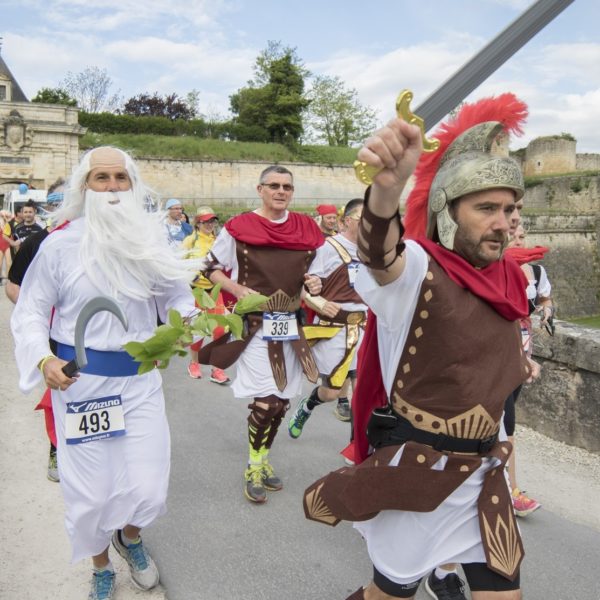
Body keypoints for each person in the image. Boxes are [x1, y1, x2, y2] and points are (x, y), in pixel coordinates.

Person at [303, 94, 536, 600]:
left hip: (483, 475)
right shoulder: (415, 276)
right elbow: (380, 253)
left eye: (510, 209)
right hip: (419, 475)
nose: (503, 221)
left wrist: (519, 366)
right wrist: (386, 191)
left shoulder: (510, 280)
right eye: (487, 208)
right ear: (448, 213)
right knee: (389, 595)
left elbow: (486, 352)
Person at [11, 146, 199, 600]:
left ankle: (129, 538)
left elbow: (178, 297)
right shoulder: (59, 244)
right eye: (102, 178)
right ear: (85, 187)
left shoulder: (149, 242)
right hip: (81, 386)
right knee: (91, 494)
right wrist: (43, 360)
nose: (113, 187)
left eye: (121, 178)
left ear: (133, 185)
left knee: (149, 488)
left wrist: (187, 320)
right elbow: (31, 311)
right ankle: (100, 566)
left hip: (140, 383)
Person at [197, 165, 324, 504]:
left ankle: (264, 459)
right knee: (265, 403)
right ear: (260, 189)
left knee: (280, 404)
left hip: (291, 326)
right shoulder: (240, 227)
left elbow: (320, 272)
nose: (281, 192)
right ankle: (254, 465)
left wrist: (315, 282)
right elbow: (209, 268)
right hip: (254, 326)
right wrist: (235, 287)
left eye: (287, 187)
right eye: (274, 186)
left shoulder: (306, 228)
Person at [288, 198, 367, 435]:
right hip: (334, 329)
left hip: (365, 327)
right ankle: (308, 406)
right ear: (346, 222)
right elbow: (304, 285)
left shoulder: (375, 251)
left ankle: (357, 449)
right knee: (332, 392)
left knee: (363, 393)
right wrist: (317, 297)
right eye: (363, 219)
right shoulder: (328, 247)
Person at [5, 178, 65, 481]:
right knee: (62, 390)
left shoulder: (105, 241)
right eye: (58, 203)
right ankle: (57, 449)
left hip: (98, 337)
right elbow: (13, 285)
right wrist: (35, 316)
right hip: (55, 336)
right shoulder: (36, 242)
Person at [503, 223, 553, 517]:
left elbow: (545, 298)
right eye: (515, 236)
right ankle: (511, 491)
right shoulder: (494, 270)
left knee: (502, 424)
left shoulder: (536, 273)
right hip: (499, 356)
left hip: (523, 353)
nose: (521, 240)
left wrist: (547, 309)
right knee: (507, 425)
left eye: (522, 235)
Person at [182, 205, 230, 384]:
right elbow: (178, 264)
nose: (210, 224)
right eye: (206, 221)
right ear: (197, 223)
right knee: (199, 331)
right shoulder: (190, 241)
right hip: (196, 291)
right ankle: (194, 363)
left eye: (212, 221)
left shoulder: (217, 240)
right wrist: (190, 273)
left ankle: (217, 369)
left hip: (214, 290)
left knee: (219, 330)